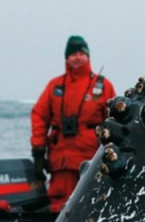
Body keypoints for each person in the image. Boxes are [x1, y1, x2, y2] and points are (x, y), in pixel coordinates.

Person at [30, 35, 116, 212]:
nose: (77, 57)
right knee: (58, 206)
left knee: (92, 204)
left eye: (81, 53)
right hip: (61, 161)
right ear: (66, 58)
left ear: (88, 57)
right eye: (73, 54)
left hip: (91, 159)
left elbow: (115, 121)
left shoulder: (103, 86)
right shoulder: (55, 86)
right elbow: (39, 116)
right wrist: (38, 152)